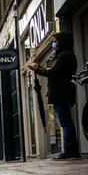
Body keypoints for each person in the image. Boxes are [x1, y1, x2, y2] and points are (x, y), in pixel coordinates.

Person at [27, 31, 79, 159]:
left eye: (55, 41)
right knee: (66, 122)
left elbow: (53, 72)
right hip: (62, 94)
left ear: (62, 42)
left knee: (65, 123)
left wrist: (37, 69)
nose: (53, 44)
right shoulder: (62, 55)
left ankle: (69, 151)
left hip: (62, 94)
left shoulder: (65, 56)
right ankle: (70, 150)